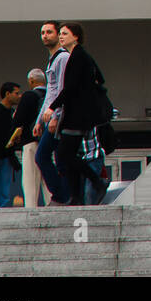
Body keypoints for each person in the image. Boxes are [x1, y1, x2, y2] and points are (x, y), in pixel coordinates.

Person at [41, 23, 109, 206]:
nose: (61, 37)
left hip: (78, 116)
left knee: (64, 155)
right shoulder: (78, 56)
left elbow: (69, 88)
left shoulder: (78, 57)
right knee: (67, 155)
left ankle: (96, 182)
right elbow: (99, 78)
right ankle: (76, 196)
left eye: (65, 33)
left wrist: (51, 108)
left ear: (76, 36)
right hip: (78, 114)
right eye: (60, 33)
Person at [32, 22, 70, 205]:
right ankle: (64, 194)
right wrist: (39, 121)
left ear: (58, 35)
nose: (45, 35)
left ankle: (61, 195)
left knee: (42, 156)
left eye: (49, 32)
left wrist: (55, 116)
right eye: (42, 33)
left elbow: (63, 90)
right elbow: (50, 92)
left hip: (59, 117)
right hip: (51, 117)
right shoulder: (53, 59)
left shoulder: (62, 58)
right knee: (58, 158)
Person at [11, 68, 46, 209]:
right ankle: (53, 205)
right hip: (50, 142)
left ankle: (30, 209)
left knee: (31, 178)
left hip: (31, 142)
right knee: (48, 177)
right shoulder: (53, 94)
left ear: (31, 81)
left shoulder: (29, 96)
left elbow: (18, 120)